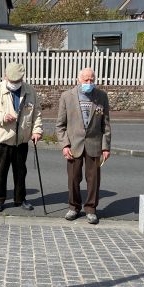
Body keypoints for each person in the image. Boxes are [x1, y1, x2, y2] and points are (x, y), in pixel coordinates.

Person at [0, 62, 43, 212]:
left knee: (20, 171)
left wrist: (37, 131)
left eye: (18, 81)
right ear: (5, 76)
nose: (15, 84)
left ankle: (20, 199)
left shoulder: (30, 91)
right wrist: (2, 117)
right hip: (1, 140)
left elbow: (37, 113)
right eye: (12, 81)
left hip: (21, 140)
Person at [56, 67, 111, 224]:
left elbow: (106, 124)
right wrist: (65, 145)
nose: (89, 82)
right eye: (86, 80)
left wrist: (106, 146)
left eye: (92, 80)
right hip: (74, 144)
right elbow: (60, 125)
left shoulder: (101, 96)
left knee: (93, 179)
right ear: (78, 80)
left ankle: (91, 209)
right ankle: (73, 207)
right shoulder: (67, 96)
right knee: (73, 178)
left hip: (94, 143)